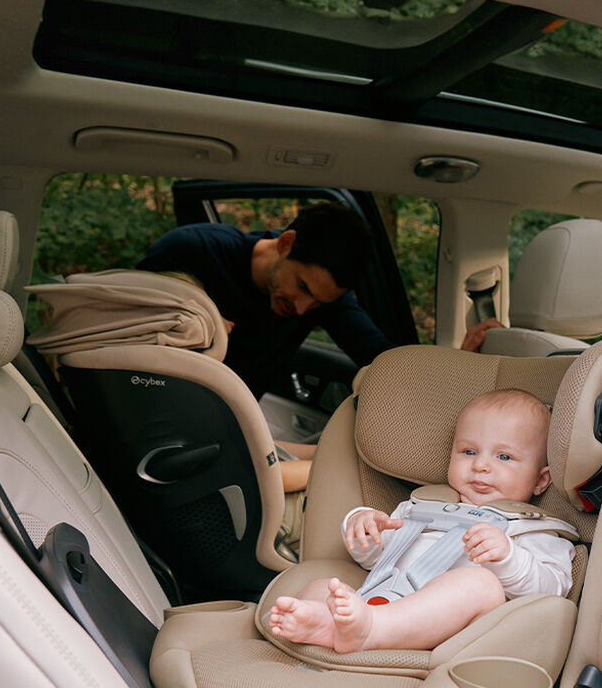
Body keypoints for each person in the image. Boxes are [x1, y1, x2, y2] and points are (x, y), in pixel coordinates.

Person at [267, 388, 574, 653]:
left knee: (480, 584)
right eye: (468, 451)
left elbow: (551, 593)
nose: (481, 465)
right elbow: (376, 561)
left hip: (454, 633)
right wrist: (363, 527)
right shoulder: (422, 508)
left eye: (504, 457)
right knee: (324, 586)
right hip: (384, 601)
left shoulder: (537, 529)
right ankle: (326, 623)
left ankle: (369, 630)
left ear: (541, 480)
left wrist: (509, 557)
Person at [135, 201, 394, 399]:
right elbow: (126, 326)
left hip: (237, 423)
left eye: (318, 303)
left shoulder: (324, 295)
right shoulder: (192, 250)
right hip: (155, 399)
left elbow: (379, 355)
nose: (303, 309)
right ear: (285, 243)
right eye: (302, 286)